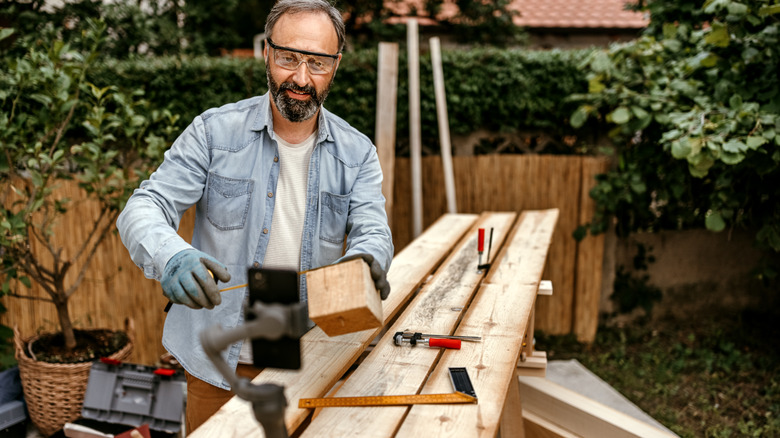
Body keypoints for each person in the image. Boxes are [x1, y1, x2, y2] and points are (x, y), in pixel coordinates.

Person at [116, 0, 393, 432]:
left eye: (318, 63)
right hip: (219, 365)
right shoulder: (213, 133)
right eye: (289, 58)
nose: (301, 78)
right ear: (266, 52)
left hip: (309, 360)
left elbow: (373, 230)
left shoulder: (357, 154)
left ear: (336, 65)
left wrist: (367, 260)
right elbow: (144, 206)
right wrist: (171, 255)